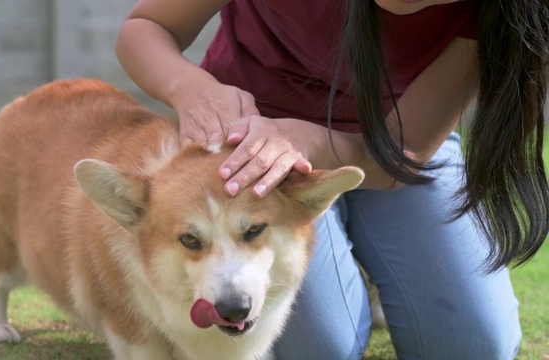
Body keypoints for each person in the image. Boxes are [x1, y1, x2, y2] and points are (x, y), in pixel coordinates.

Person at [115, 0, 549, 358]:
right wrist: (190, 88)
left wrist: (311, 141)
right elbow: (145, 27)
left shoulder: (498, 14)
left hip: (388, 152)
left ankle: (367, 259)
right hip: (247, 158)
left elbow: (405, 151)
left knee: (474, 346)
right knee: (322, 350)